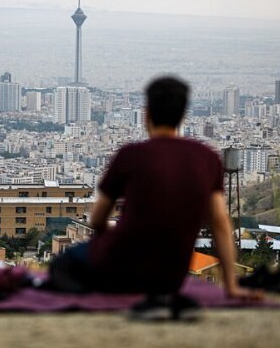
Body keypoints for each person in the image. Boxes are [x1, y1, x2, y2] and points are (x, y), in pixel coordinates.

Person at [48, 76, 260, 304]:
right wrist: (231, 285)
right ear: (182, 116)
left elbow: (98, 219)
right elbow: (220, 222)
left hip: (120, 267)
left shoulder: (131, 154)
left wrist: (110, 236)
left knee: (63, 263)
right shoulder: (207, 157)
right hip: (170, 277)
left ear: (146, 114)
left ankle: (97, 291)